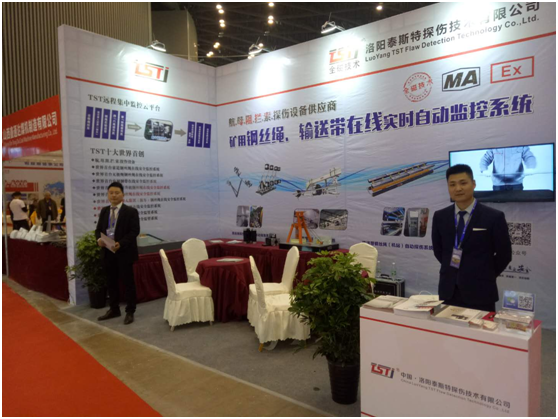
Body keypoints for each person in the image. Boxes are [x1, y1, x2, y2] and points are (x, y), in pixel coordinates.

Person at [431, 164, 512, 312]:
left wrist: (485, 274)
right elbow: (439, 250)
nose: (458, 189)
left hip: (481, 292)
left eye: (463, 183)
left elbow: (504, 254)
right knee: (447, 327)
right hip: (448, 290)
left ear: (473, 184)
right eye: (452, 184)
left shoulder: (493, 217)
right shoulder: (440, 216)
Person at [95, 182, 140, 325]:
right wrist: (99, 240)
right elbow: (98, 230)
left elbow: (134, 232)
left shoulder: (130, 211)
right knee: (111, 282)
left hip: (124, 252)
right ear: (108, 195)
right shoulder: (104, 211)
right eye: (111, 193)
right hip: (108, 252)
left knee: (128, 283)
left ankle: (130, 311)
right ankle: (114, 309)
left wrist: (120, 243)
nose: (113, 195)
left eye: (117, 193)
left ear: (123, 195)